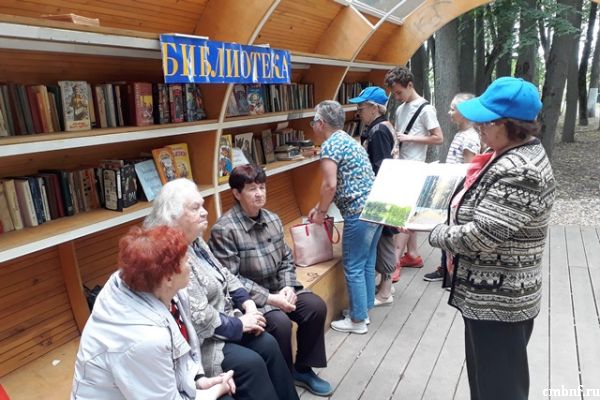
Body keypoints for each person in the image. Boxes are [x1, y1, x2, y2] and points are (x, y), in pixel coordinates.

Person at [428, 77, 555, 400]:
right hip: (490, 297)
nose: (478, 126)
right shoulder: (509, 152)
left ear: (512, 125)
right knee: (486, 383)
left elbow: (483, 236)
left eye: (486, 121)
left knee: (499, 390)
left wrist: (435, 232)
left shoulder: (521, 170)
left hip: (500, 301)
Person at [144, 179, 299, 400]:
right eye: (195, 208)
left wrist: (249, 305)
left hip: (228, 321)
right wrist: (241, 324)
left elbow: (225, 274)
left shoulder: (196, 241)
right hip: (204, 342)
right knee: (251, 364)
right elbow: (198, 316)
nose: (205, 212)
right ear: (173, 216)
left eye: (203, 205)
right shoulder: (171, 254)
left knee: (268, 343)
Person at [209, 164, 332, 396]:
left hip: (279, 287)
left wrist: (287, 286)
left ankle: (302, 369)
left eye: (262, 187)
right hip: (251, 300)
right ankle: (283, 377)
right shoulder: (224, 230)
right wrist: (270, 298)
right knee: (279, 324)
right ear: (236, 193)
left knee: (315, 307)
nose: (259, 193)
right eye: (252, 189)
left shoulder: (273, 219)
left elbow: (286, 257)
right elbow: (230, 278)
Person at [71, 225, 235, 400]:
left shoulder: (160, 288)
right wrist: (216, 390)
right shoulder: (142, 339)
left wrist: (199, 382)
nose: (191, 263)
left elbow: (179, 355)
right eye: (186, 260)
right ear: (168, 278)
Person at [308, 100, 382, 334]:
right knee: (367, 261)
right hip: (376, 208)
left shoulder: (330, 146)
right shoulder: (349, 141)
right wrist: (319, 207)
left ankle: (357, 321)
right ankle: (364, 310)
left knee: (353, 265)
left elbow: (329, 185)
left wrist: (320, 213)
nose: (312, 126)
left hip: (357, 212)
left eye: (313, 122)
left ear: (321, 123)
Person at [384, 66, 443, 281]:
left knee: (403, 216)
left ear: (410, 85)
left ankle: (394, 261)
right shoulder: (401, 109)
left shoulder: (426, 109)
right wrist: (397, 146)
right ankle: (413, 254)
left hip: (415, 168)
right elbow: (400, 136)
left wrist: (410, 139)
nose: (397, 97)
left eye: (399, 92)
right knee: (408, 214)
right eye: (394, 93)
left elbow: (438, 138)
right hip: (402, 165)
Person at [423, 93, 481, 283]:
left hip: (458, 192)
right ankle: (445, 268)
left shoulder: (470, 138)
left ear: (464, 112)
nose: (449, 112)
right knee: (447, 227)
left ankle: (452, 273)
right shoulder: (461, 135)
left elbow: (469, 169)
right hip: (450, 189)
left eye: (453, 109)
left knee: (453, 230)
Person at [348, 86, 396, 304]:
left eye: (361, 108)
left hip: (381, 194)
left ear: (375, 108)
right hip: (385, 191)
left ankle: (386, 290)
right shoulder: (382, 127)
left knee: (385, 239)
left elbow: (381, 167)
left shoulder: (378, 132)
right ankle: (384, 286)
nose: (359, 112)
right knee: (383, 238)